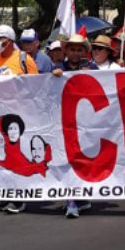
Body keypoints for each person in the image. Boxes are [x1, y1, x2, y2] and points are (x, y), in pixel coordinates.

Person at [50, 33, 99, 218]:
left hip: (86, 123)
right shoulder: (58, 68)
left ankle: (81, 197)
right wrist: (53, 76)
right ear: (65, 51)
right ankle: (71, 201)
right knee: (66, 159)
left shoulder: (91, 67)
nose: (76, 53)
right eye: (72, 49)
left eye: (80, 50)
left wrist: (93, 75)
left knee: (83, 160)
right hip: (64, 123)